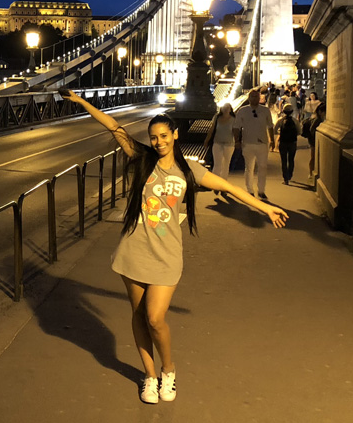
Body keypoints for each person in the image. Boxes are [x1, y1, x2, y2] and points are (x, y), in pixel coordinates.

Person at [60, 88, 287, 404]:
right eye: (154, 137)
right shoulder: (142, 159)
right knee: (139, 316)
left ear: (175, 135)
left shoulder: (189, 170)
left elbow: (227, 187)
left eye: (164, 136)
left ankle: (169, 370)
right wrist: (82, 102)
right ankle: (150, 376)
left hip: (166, 254)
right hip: (134, 249)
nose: (158, 142)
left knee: (155, 318)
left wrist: (266, 208)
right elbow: (114, 128)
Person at [234, 89, 275, 200]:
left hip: (262, 142)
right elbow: (236, 127)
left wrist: (272, 140)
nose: (254, 99)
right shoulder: (243, 111)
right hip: (248, 142)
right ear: (249, 98)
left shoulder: (265, 110)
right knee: (249, 167)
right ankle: (250, 190)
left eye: (256, 96)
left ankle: (261, 190)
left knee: (263, 167)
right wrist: (237, 141)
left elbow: (270, 126)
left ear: (259, 98)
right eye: (252, 96)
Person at [203, 102, 236, 192]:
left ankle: (223, 185)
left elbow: (235, 131)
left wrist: (238, 141)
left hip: (229, 144)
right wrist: (207, 140)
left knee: (226, 164)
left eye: (227, 108)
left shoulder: (234, 119)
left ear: (230, 109)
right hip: (217, 143)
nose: (225, 110)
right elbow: (212, 129)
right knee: (217, 164)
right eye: (224, 108)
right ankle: (215, 184)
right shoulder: (217, 117)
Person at [274, 104, 300, 185]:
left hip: (283, 142)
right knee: (291, 159)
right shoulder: (295, 121)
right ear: (292, 111)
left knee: (284, 160)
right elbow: (299, 131)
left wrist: (280, 133)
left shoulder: (280, 120)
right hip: (292, 142)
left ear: (283, 111)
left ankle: (285, 179)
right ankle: (290, 175)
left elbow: (274, 130)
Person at [305, 103, 326, 183]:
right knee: (313, 157)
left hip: (313, 140)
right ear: (320, 112)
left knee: (313, 157)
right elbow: (312, 129)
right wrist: (315, 138)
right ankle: (311, 172)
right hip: (313, 141)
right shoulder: (317, 120)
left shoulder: (318, 118)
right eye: (324, 112)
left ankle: (311, 172)